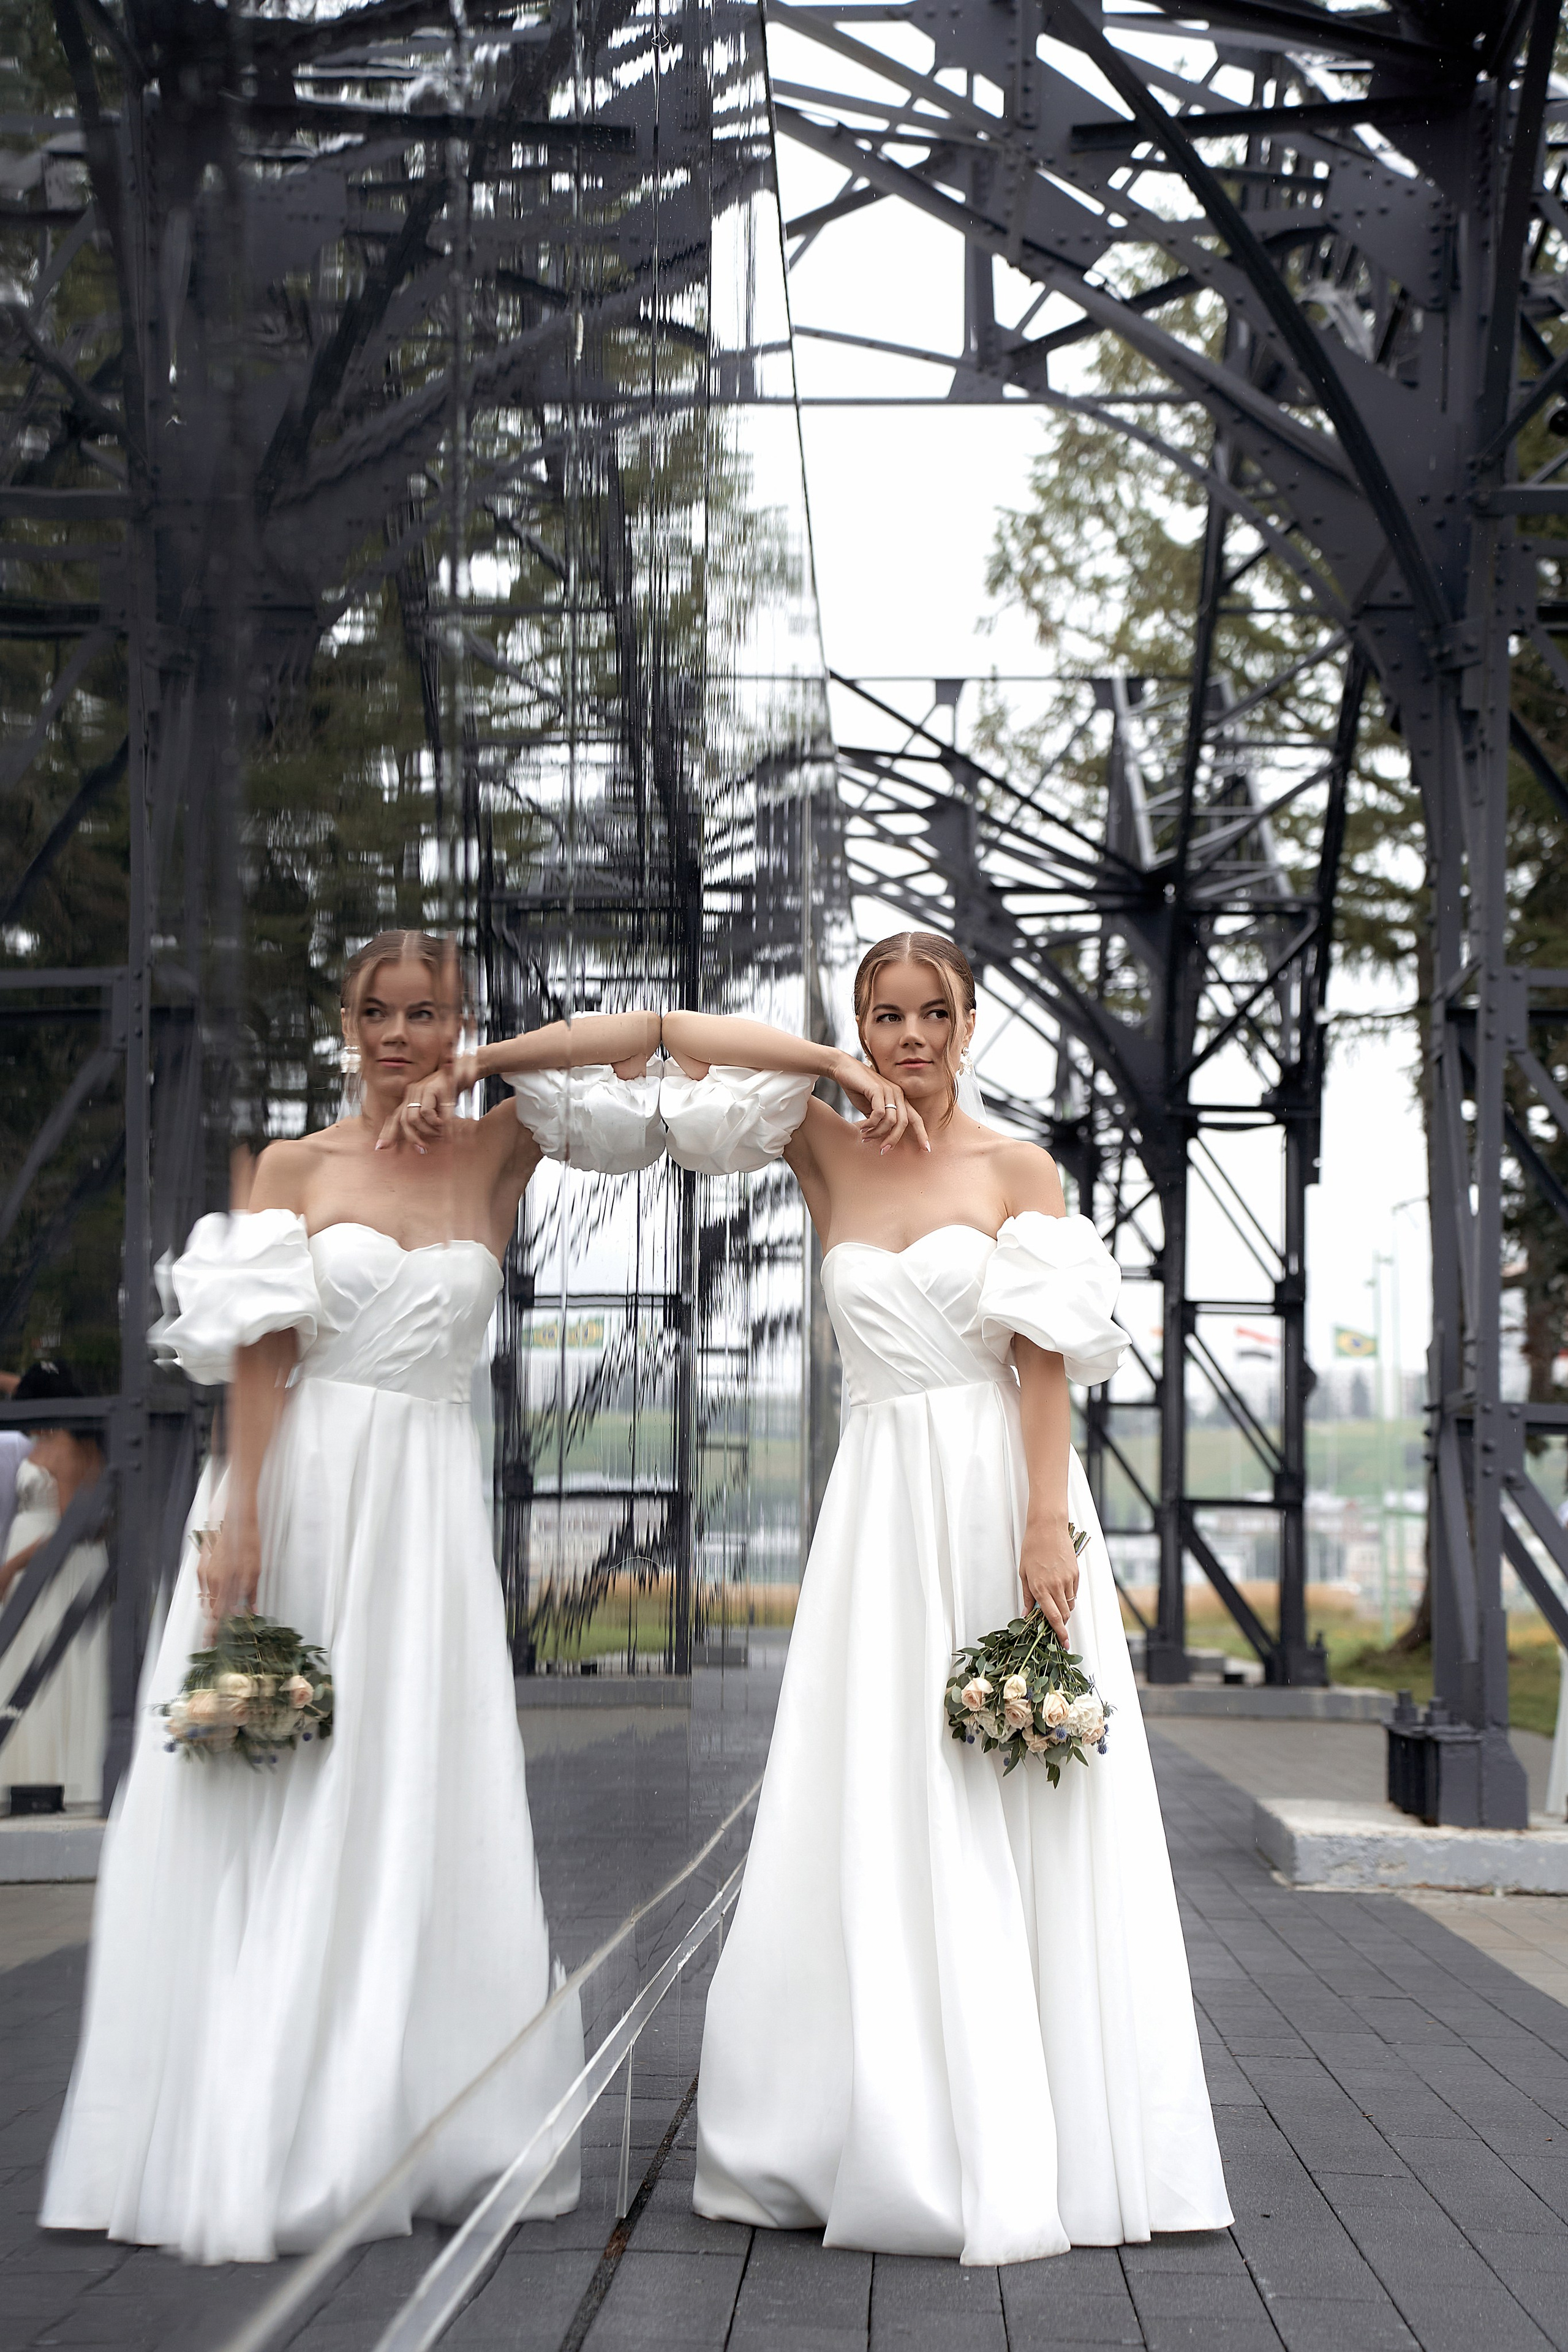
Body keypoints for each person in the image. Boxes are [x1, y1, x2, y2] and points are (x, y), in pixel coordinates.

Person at [40, 932, 665, 2265]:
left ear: (459, 1022)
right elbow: (263, 1359)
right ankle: (259, 2105)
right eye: (377, 1013)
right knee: (275, 1779)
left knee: (413, 1781)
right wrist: (242, 1520)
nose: (397, 1035)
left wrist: (483, 1069)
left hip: (426, 1518)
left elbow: (642, 1040)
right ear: (346, 1025)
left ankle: (406, 2106)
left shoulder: (501, 1148)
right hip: (303, 1500)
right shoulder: (296, 1168)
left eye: (425, 1013)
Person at [648, 932, 1228, 2264]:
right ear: (860, 1026)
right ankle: (881, 2119)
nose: (910, 1037)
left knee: (1015, 1785)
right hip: (878, 1510)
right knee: (878, 1785)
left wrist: (1044, 1526)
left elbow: (1042, 1362)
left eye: (931, 1014)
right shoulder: (819, 1143)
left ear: (970, 1023)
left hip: (998, 1497)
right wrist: (826, 1063)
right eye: (884, 1016)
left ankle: (1038, 2133)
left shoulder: (1017, 1169)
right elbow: (676, 1040)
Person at [1, 1363, 109, 1809]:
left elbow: (70, 1526)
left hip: (53, 1570)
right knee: (25, 1661)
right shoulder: (60, 1436)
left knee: (52, 1666)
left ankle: (55, 1774)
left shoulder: (65, 1444)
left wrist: (12, 1567)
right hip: (38, 1564)